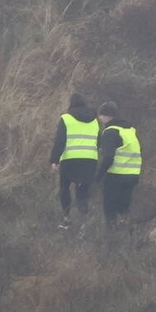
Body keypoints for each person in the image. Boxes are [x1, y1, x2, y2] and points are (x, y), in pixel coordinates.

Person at [50, 92, 99, 228]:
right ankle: (84, 220)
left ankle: (67, 217)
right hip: (89, 160)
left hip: (70, 160)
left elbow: (60, 141)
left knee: (65, 187)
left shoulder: (66, 119)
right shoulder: (94, 120)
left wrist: (54, 160)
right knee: (83, 189)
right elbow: (99, 141)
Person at [93, 101, 142, 231]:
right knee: (124, 208)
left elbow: (108, 157)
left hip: (116, 176)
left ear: (108, 116)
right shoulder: (129, 130)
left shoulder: (110, 132)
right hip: (133, 175)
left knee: (110, 208)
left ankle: (112, 235)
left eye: (101, 115)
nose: (99, 118)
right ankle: (127, 233)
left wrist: (99, 176)